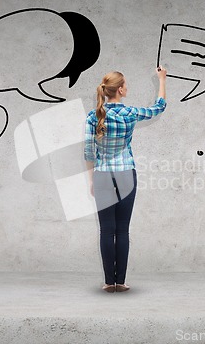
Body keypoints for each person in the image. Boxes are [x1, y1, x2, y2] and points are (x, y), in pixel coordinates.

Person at [84, 66, 167, 293]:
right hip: (125, 173)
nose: (127, 88)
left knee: (105, 230)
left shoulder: (94, 116)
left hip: (102, 175)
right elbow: (159, 107)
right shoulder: (130, 113)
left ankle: (108, 282)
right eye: (126, 85)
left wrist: (92, 180)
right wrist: (162, 79)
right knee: (122, 230)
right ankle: (121, 281)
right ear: (120, 90)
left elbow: (89, 152)